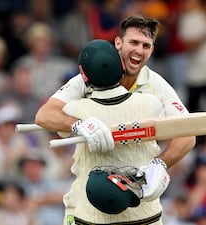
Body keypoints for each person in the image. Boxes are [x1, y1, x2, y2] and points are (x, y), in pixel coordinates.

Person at [35, 15, 195, 171]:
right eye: (134, 42)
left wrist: (158, 166)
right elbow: (44, 115)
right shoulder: (91, 74)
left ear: (152, 50)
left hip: (135, 178)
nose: (139, 50)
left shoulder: (156, 84)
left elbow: (188, 133)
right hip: (92, 175)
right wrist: (79, 125)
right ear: (118, 43)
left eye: (146, 45)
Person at [58, 38, 172, 224]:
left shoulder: (74, 109)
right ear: (121, 66)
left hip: (91, 215)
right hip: (144, 213)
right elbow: (183, 133)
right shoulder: (150, 103)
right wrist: (161, 162)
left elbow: (46, 116)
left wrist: (77, 124)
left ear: (83, 76)